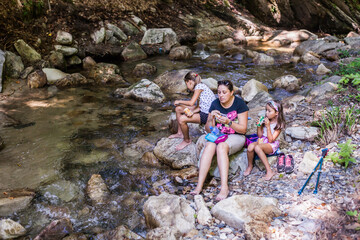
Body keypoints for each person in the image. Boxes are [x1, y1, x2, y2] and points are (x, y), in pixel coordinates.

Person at [190, 80, 249, 201]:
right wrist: (211, 118)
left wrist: (229, 122)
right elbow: (208, 128)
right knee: (209, 146)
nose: (221, 95)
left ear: (231, 92)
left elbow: (243, 129)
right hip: (218, 134)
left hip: (236, 136)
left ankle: (224, 187)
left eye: (224, 92)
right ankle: (199, 186)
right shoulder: (215, 104)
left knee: (221, 146)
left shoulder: (239, 104)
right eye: (219, 92)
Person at [169, 71, 216, 151]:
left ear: (190, 82)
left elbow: (191, 103)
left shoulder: (199, 87)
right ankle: (180, 133)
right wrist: (192, 112)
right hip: (202, 110)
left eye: (186, 84)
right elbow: (198, 107)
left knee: (182, 119)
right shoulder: (200, 87)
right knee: (178, 109)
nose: (187, 87)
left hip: (207, 115)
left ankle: (187, 140)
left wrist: (179, 101)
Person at [244, 100, 285, 180]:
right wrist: (259, 126)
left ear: (276, 113)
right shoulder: (266, 120)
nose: (266, 113)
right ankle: (250, 166)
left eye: (269, 111)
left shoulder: (279, 124)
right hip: (262, 140)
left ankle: (269, 171)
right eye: (266, 110)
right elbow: (259, 135)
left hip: (271, 144)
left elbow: (271, 140)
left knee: (257, 148)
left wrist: (268, 126)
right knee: (250, 147)